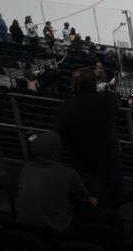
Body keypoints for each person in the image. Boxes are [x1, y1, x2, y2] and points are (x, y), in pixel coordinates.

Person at [54, 67, 123, 207]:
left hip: (82, 158)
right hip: (108, 155)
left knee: (84, 194)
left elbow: (60, 135)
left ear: (76, 86)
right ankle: (119, 214)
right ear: (94, 84)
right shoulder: (108, 99)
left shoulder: (66, 108)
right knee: (116, 192)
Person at [16, 131, 97, 234]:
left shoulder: (26, 168)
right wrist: (90, 199)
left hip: (23, 223)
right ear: (58, 150)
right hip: (53, 227)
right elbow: (83, 195)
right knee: (87, 208)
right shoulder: (67, 173)